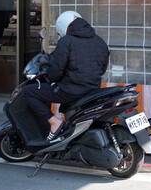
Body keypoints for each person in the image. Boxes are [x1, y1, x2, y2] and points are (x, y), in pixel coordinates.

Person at [23, 11, 110, 141]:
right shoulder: (100, 41)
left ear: (63, 27)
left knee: (28, 91)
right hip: (93, 90)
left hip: (70, 91)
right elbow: (102, 69)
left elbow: (56, 71)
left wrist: (52, 79)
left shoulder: (66, 41)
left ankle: (54, 123)